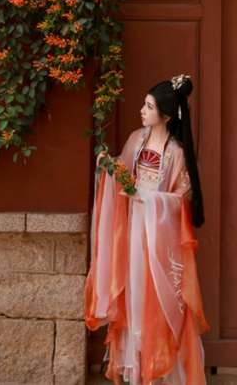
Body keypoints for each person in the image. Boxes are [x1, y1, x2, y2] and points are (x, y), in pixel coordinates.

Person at [84, 73, 209, 384]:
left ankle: (157, 370)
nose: (142, 110)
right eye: (144, 104)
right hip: (133, 230)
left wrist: (148, 198)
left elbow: (181, 198)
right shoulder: (135, 140)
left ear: (165, 115)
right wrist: (108, 167)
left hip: (159, 237)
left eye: (149, 107)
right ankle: (137, 369)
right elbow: (123, 172)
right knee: (133, 291)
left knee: (156, 298)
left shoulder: (176, 153)